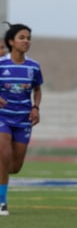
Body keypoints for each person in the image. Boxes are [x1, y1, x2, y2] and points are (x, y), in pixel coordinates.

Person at [0, 22, 43, 216]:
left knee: (14, 167)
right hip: (3, 117)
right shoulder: (1, 64)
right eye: (22, 37)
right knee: (4, 155)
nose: (26, 41)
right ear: (11, 41)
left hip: (23, 119)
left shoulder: (34, 67)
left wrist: (35, 107)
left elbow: (37, 89)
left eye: (28, 38)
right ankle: (2, 203)